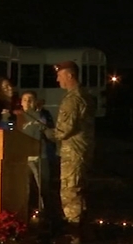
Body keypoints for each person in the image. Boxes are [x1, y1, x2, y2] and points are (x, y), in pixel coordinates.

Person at [44, 61, 95, 243]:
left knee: (70, 191)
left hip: (73, 152)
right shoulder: (85, 95)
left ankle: (74, 231)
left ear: (69, 75)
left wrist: (47, 132)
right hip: (82, 149)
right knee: (80, 190)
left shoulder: (73, 99)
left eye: (59, 75)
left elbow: (64, 129)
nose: (57, 79)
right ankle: (81, 228)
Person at [19, 90, 57, 223]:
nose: (28, 102)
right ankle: (24, 216)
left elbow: (50, 133)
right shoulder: (17, 116)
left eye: (31, 99)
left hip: (41, 156)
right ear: (21, 102)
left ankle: (45, 216)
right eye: (25, 99)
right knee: (24, 189)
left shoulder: (42, 115)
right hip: (23, 158)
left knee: (44, 187)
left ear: (35, 101)